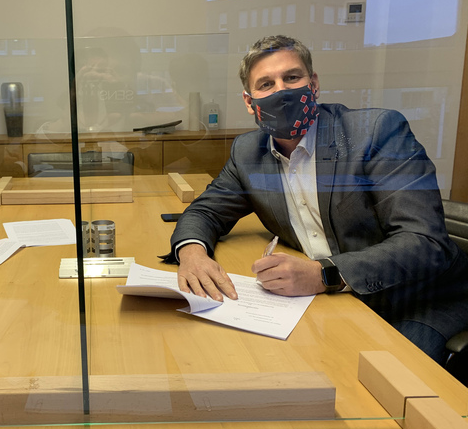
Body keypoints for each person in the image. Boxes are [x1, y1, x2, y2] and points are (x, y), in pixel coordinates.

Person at [167, 34, 468, 363]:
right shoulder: (249, 152)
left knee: (377, 381)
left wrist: (323, 274)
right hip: (328, 301)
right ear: (249, 102)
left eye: (292, 77)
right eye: (266, 84)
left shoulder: (376, 132)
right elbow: (206, 211)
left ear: (314, 84)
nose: (281, 91)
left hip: (416, 299)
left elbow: (425, 242)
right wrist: (193, 254)